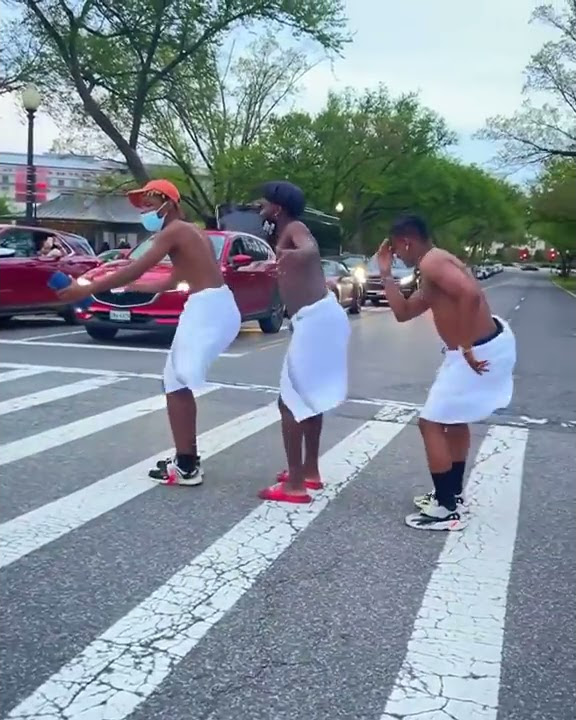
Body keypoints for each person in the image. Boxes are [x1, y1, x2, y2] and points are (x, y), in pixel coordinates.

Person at [55, 179, 241, 486]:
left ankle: (186, 466)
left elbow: (134, 267)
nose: (147, 213)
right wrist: (131, 288)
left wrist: (83, 288)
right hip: (218, 305)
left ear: (169, 203)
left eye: (151, 206)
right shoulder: (194, 233)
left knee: (176, 383)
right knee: (177, 381)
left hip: (207, 309)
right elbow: (175, 278)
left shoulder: (174, 231)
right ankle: (186, 459)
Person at [379, 214, 516, 531]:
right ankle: (452, 493)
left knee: (430, 423)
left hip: (477, 350)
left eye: (396, 250)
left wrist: (466, 345)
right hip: (474, 350)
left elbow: (470, 294)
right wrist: (385, 273)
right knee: (453, 422)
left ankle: (445, 509)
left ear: (406, 241)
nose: (396, 255)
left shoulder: (432, 263)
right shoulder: (431, 268)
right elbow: (403, 313)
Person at [257, 181, 351, 504]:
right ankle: (309, 471)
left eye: (264, 202)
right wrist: (277, 266)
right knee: (309, 397)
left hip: (316, 320)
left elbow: (309, 250)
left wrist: (284, 254)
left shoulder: (295, 228)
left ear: (277, 208)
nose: (260, 207)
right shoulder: (286, 232)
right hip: (315, 319)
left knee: (290, 400)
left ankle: (295, 485)